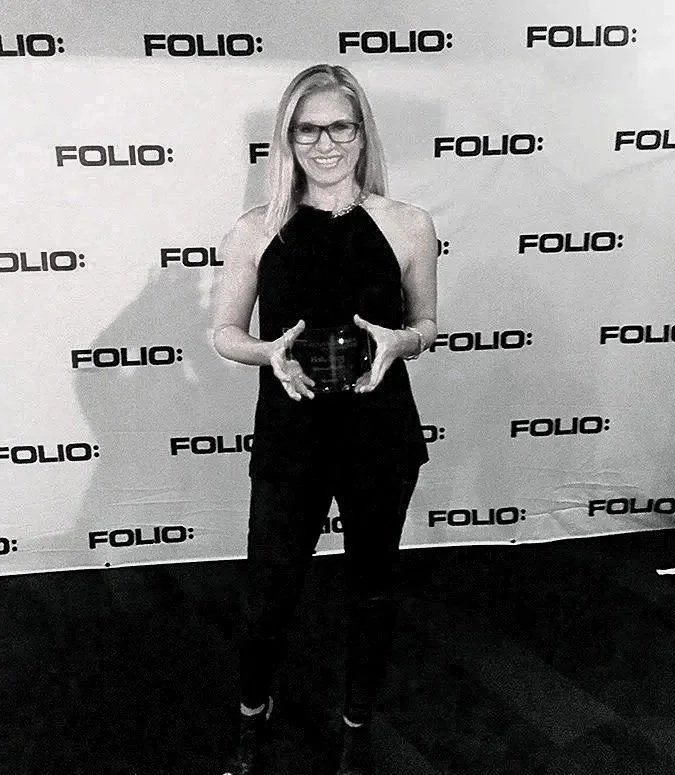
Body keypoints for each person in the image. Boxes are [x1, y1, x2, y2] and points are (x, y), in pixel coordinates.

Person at [213, 63, 437, 775]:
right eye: (307, 128)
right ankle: (254, 713)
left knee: (372, 589)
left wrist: (404, 340)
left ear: (361, 131)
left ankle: (355, 724)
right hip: (292, 435)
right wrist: (263, 352)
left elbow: (427, 322)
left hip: (380, 437)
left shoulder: (407, 224)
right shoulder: (256, 230)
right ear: (287, 138)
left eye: (339, 125)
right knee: (268, 594)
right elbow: (224, 331)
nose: (325, 142)